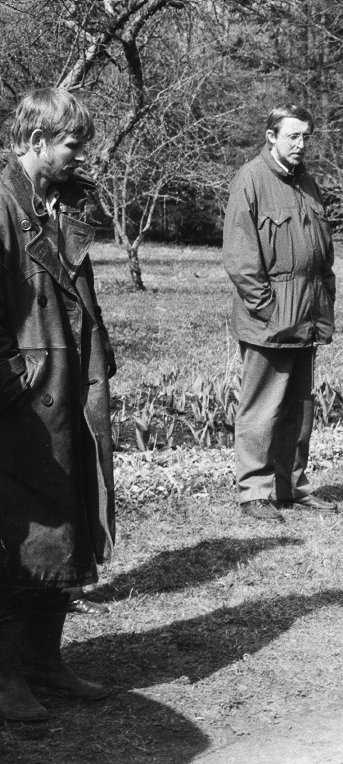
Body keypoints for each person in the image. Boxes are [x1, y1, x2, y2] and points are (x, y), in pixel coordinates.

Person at [0, 88, 114, 721]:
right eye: (73, 144)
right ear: (37, 140)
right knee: (18, 536)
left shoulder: (66, 204)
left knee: (68, 523)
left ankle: (45, 662)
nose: (82, 155)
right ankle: (5, 678)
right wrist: (14, 382)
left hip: (70, 388)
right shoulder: (1, 204)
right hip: (22, 406)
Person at [223, 104, 338, 522]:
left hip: (308, 315)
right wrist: (270, 310)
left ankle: (291, 486)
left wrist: (323, 301)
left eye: (306, 136)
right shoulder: (251, 180)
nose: (301, 144)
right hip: (270, 321)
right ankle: (254, 492)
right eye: (293, 136)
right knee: (262, 408)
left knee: (299, 409)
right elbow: (240, 260)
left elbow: (322, 253)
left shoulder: (306, 182)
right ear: (271, 136)